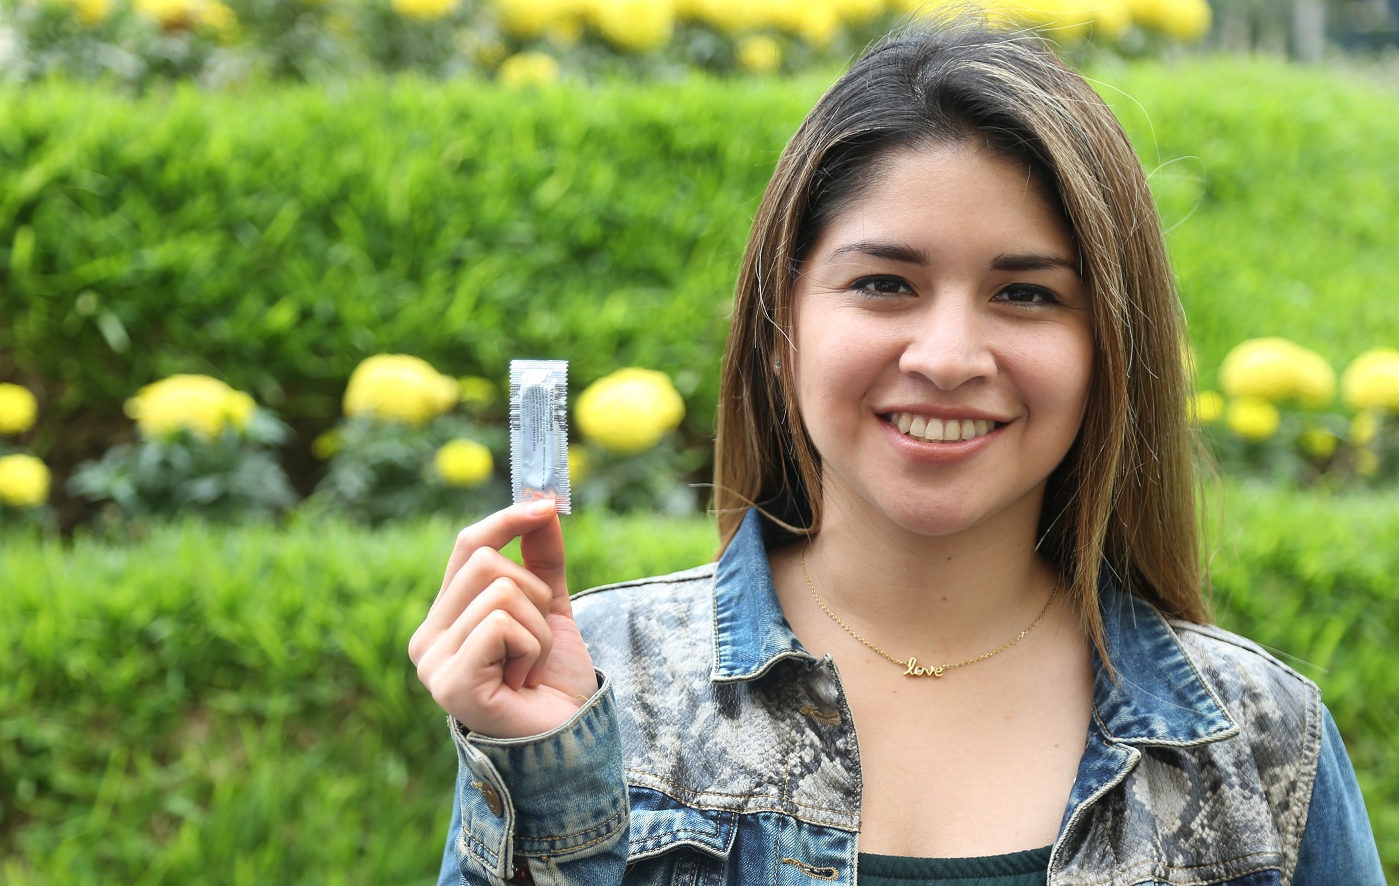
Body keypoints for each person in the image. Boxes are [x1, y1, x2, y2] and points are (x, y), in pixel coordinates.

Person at [408, 21, 1385, 886]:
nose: (948, 358)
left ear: (1109, 352)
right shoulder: (598, 689)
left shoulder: (1257, 741)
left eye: (1026, 294)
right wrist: (553, 788)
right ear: (783, 322)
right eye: (884, 283)